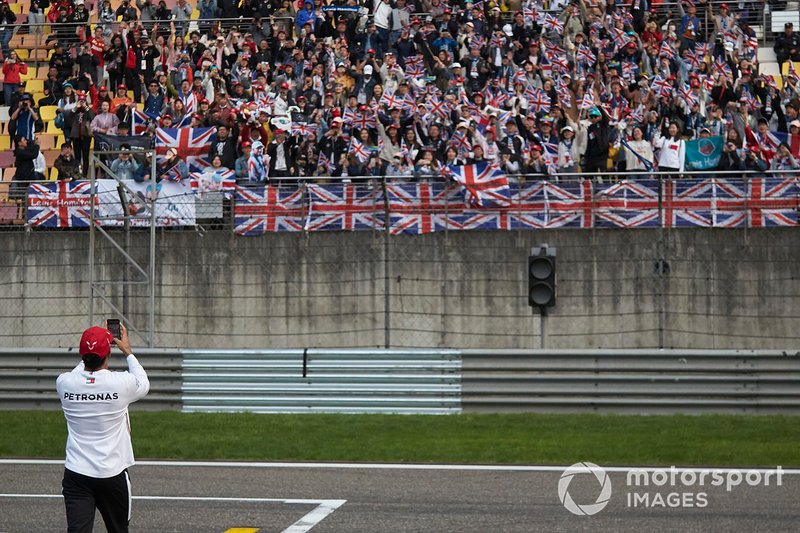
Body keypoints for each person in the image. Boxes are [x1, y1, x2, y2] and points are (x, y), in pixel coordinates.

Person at [57, 323, 149, 533]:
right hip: (112, 474)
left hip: (76, 474)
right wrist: (128, 351)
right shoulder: (121, 383)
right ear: (108, 353)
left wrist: (91, 351)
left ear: (82, 355)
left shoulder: (64, 382)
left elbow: (79, 372)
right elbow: (143, 382)